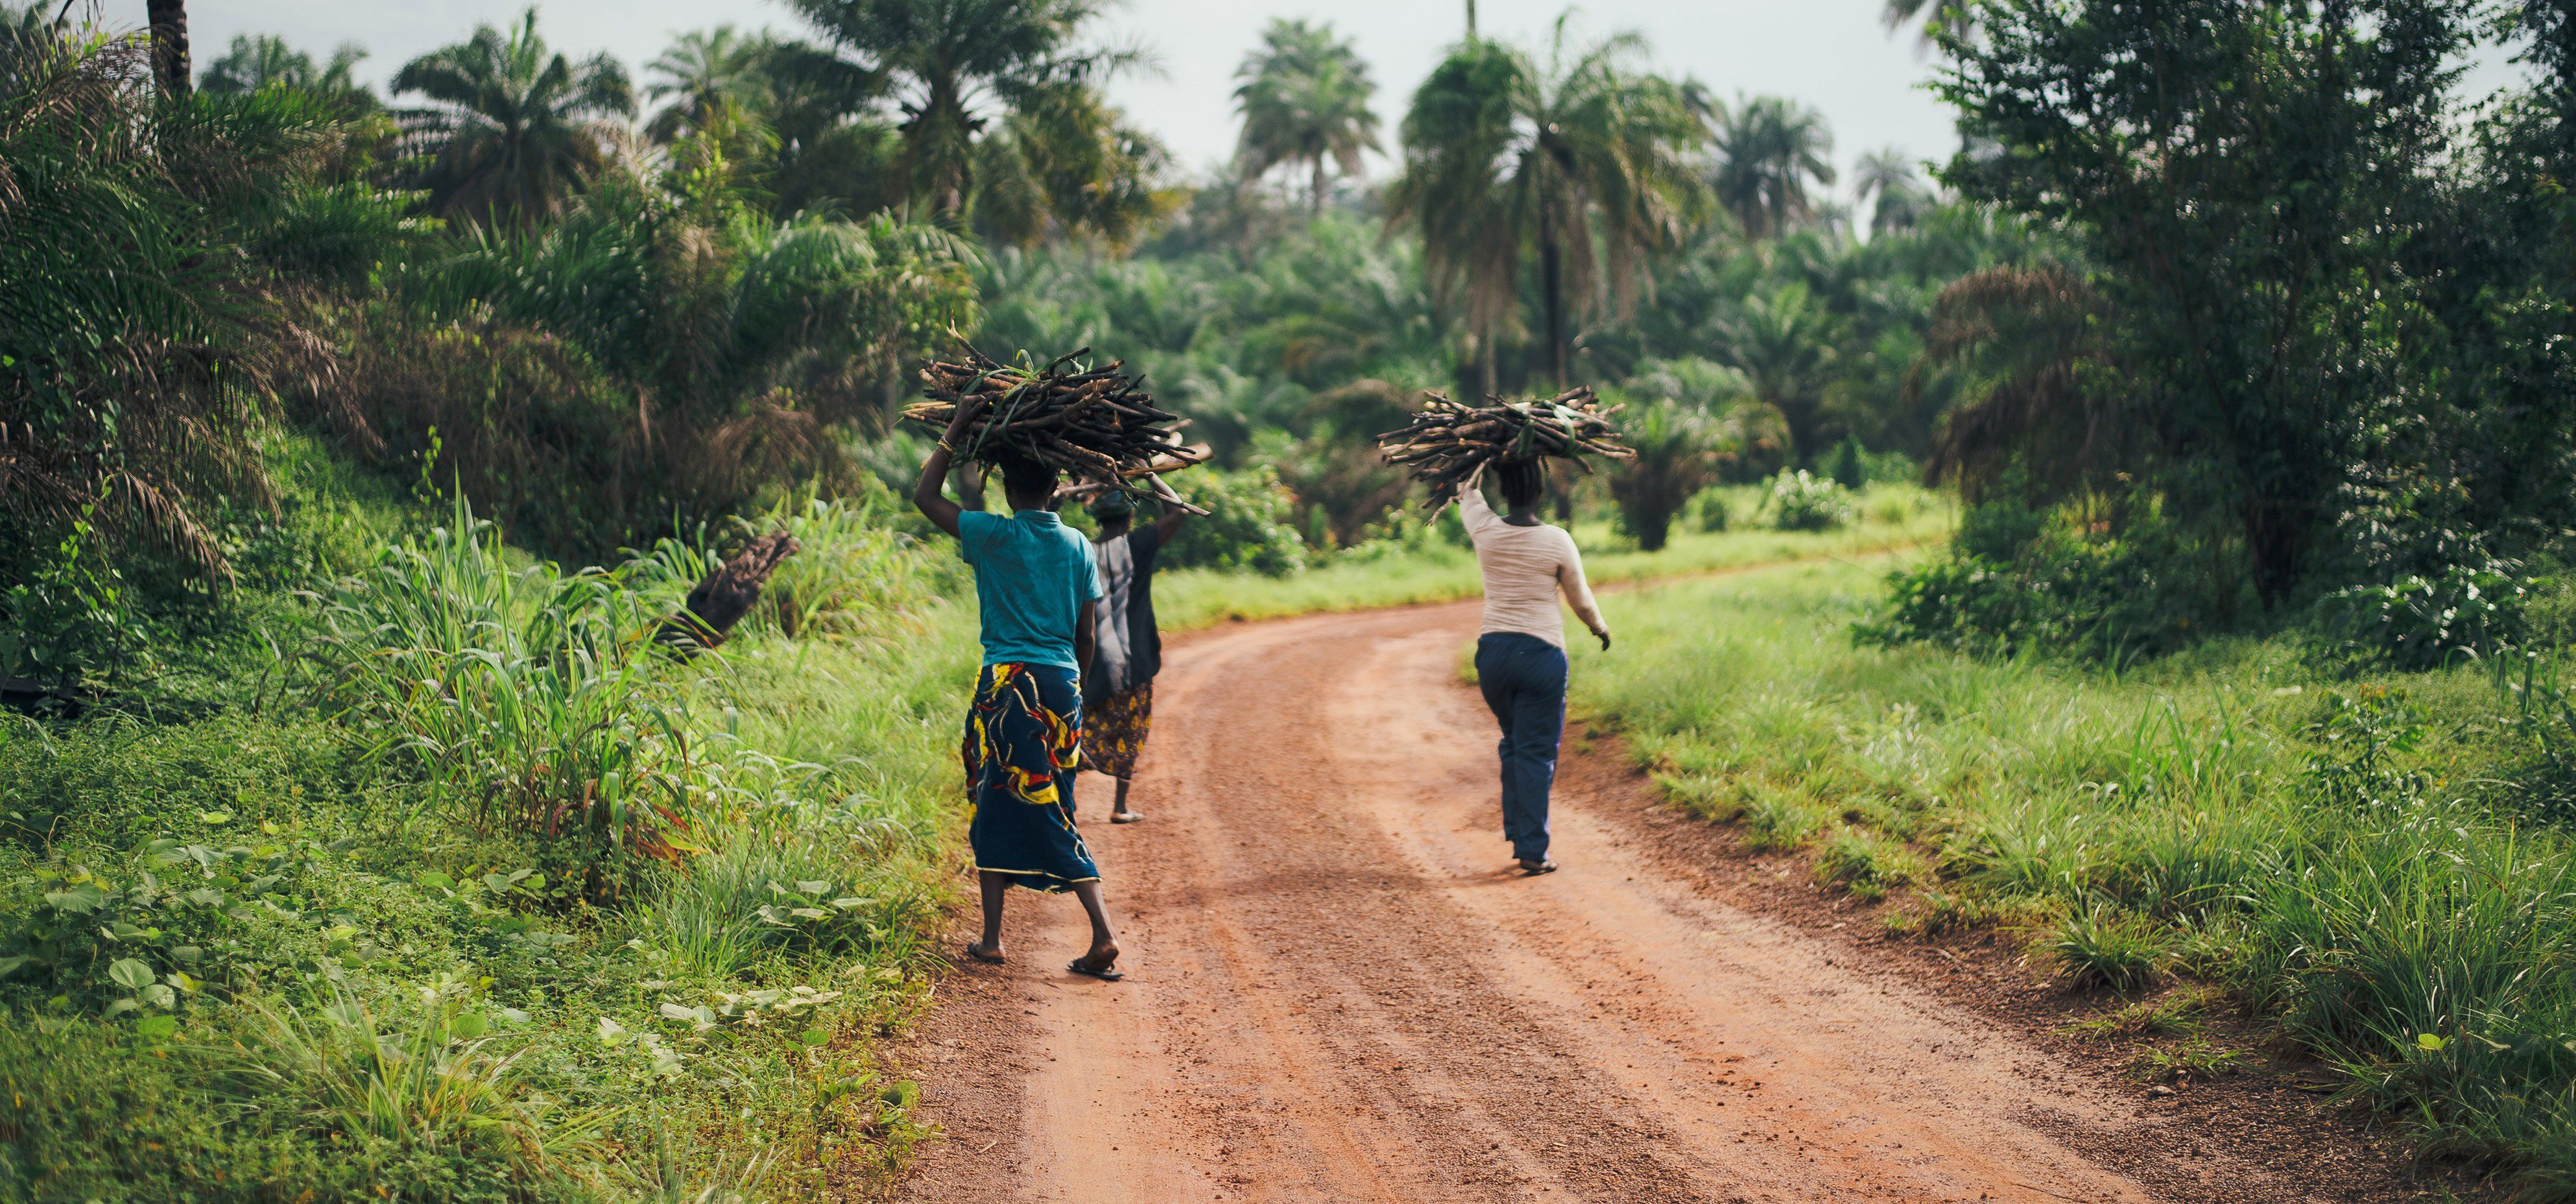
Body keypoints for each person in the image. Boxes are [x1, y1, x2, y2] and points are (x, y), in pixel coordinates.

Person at [913, 402, 1123, 981]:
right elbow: (1086, 635)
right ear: (1057, 487)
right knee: (1023, 799)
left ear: (1007, 488)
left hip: (1008, 686)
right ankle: (990, 939)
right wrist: (1072, 690)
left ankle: (1103, 934)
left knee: (1018, 800)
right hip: (1061, 686)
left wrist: (955, 430)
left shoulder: (991, 534)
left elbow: (925, 497)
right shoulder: (1079, 545)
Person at [1453, 459, 1612, 876]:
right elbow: (1580, 599)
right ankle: (1532, 849)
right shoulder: (1557, 540)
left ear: (1504, 491)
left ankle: (1518, 834)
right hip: (1541, 658)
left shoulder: (1485, 530)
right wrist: (1599, 628)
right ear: (1540, 492)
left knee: (1514, 743)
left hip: (1494, 657)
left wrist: (1482, 457)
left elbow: (1465, 491)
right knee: (1536, 754)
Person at [1080, 490, 1187, 824]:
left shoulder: (1082, 549)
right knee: (1132, 727)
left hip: (1092, 657)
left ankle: (1065, 803)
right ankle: (1120, 806)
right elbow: (1178, 512)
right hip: (1133, 656)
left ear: (1098, 518)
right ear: (1130, 517)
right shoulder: (1137, 544)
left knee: (1081, 725)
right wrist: (1149, 473)